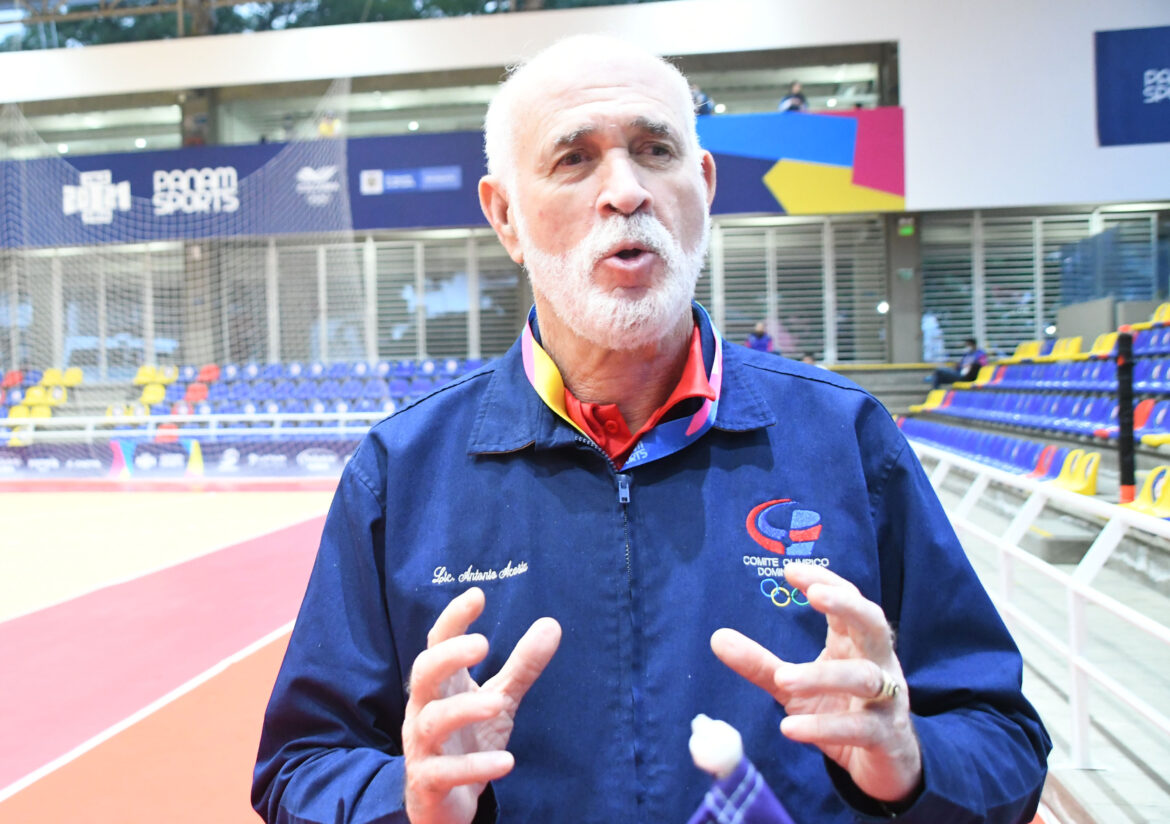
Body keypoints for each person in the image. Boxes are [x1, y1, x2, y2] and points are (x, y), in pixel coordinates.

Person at [253, 35, 1049, 824]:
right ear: (505, 216)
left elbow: (1003, 740)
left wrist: (909, 765)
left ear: (703, 185)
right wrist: (409, 803)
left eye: (655, 151)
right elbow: (301, 767)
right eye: (575, 159)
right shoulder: (402, 472)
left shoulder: (846, 438)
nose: (626, 191)